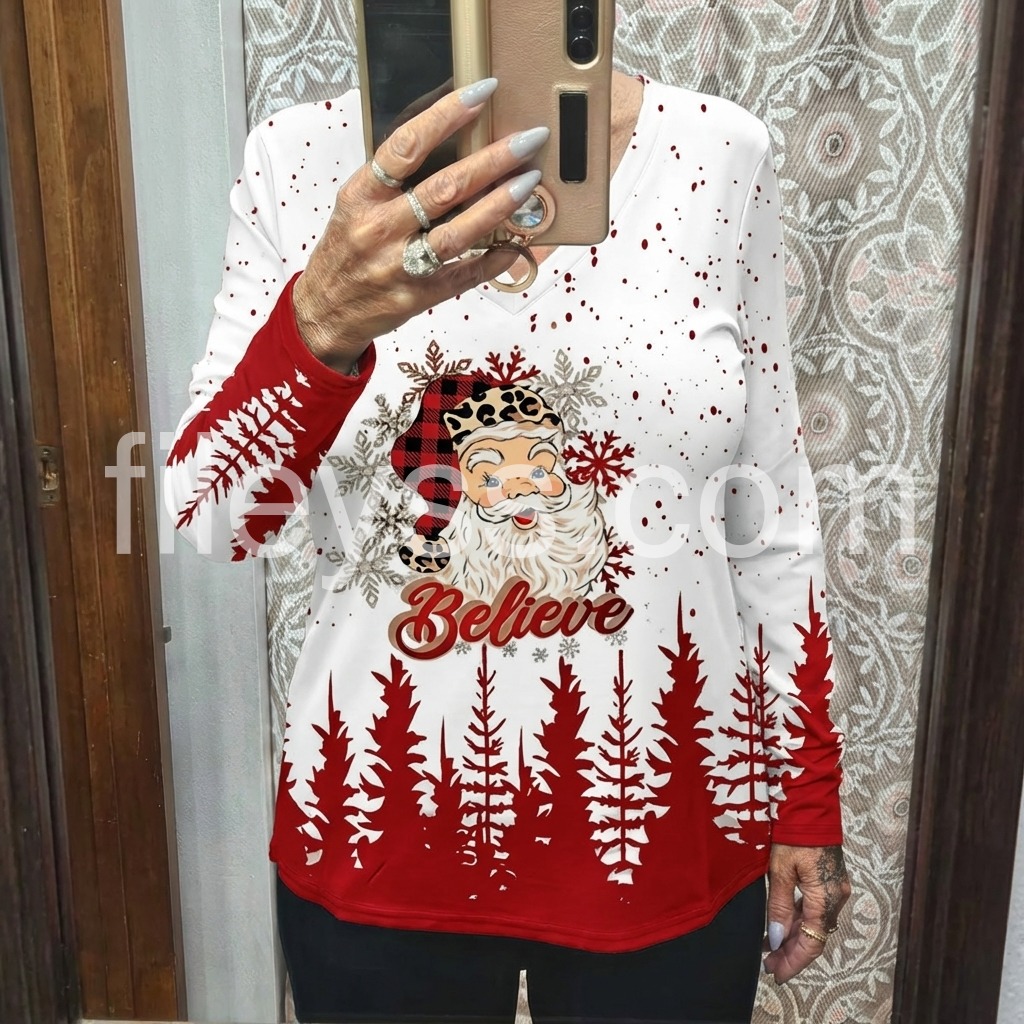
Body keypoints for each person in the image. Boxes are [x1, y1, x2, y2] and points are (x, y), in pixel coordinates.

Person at [166, 67, 851, 1024]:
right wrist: (318, 319)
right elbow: (212, 518)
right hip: (380, 821)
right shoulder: (298, 159)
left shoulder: (720, 153)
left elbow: (769, 511)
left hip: (662, 822)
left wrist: (803, 789)